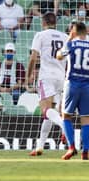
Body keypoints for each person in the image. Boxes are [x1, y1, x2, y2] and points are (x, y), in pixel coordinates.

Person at [27, 12, 68, 156]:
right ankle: (39, 146)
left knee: (45, 110)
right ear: (55, 22)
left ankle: (64, 126)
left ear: (43, 22)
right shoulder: (65, 37)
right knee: (50, 113)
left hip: (47, 76)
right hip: (62, 77)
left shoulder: (40, 35)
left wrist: (29, 75)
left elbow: (33, 58)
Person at [56, 21, 89, 160]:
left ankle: (71, 147)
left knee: (66, 116)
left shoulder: (71, 44)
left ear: (73, 31)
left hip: (72, 84)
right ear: (86, 31)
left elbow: (59, 56)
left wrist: (69, 38)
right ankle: (86, 151)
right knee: (86, 119)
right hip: (87, 85)